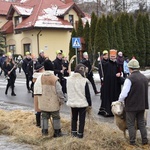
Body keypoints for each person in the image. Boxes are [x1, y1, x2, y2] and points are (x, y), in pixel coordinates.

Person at [117, 58, 149, 145]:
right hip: (142, 105)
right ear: (137, 68)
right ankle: (145, 141)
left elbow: (124, 94)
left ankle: (132, 142)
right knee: (141, 123)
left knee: (130, 124)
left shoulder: (129, 79)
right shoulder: (144, 78)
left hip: (131, 106)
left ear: (130, 68)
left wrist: (120, 101)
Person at [34, 66, 65, 137]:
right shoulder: (54, 79)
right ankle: (57, 132)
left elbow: (36, 89)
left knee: (44, 116)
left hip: (43, 102)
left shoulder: (40, 78)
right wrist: (62, 100)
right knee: (56, 116)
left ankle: (44, 132)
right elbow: (59, 91)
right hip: (53, 102)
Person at [66, 63, 92, 138]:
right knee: (82, 119)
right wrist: (90, 104)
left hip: (73, 102)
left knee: (74, 117)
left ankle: (73, 132)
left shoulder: (69, 79)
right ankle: (80, 133)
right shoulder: (83, 81)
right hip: (82, 102)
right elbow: (87, 94)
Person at [98, 49, 122, 117]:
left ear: (116, 56)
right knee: (107, 97)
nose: (112, 58)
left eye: (114, 56)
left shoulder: (117, 64)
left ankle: (115, 111)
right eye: (111, 56)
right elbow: (103, 71)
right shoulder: (106, 63)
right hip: (108, 84)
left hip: (115, 84)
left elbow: (119, 71)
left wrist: (119, 74)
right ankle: (107, 111)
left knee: (115, 96)